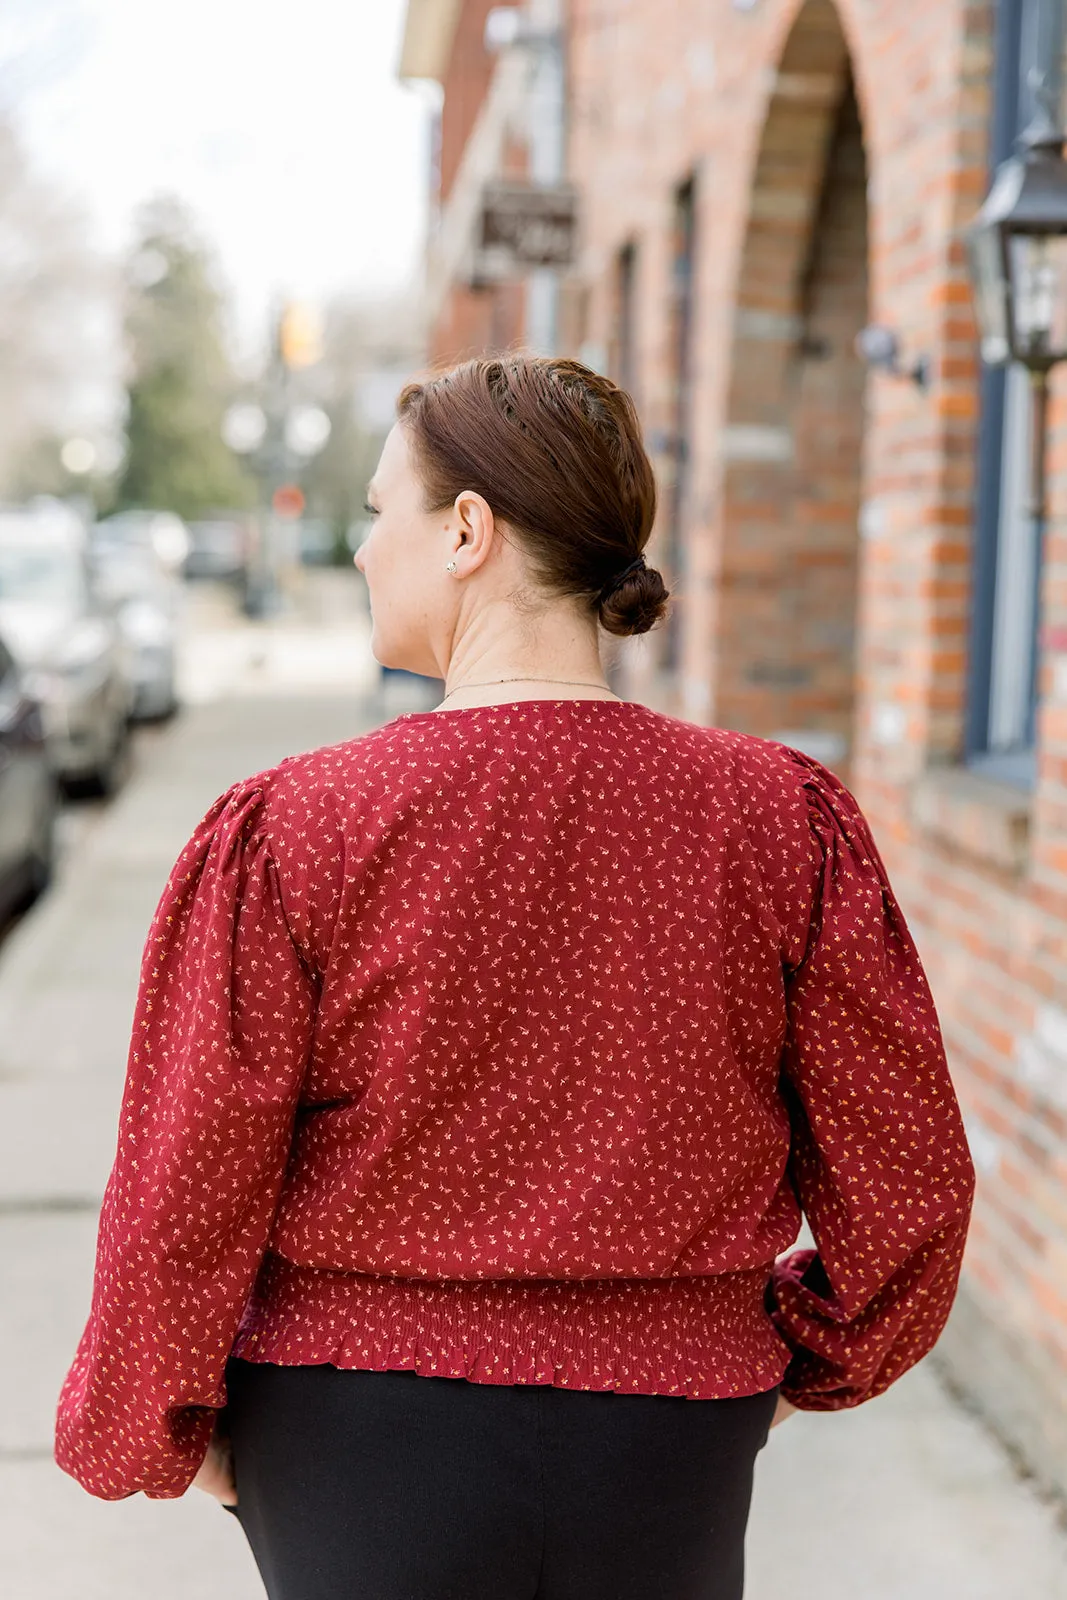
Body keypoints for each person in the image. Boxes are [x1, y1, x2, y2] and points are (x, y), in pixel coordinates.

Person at [54, 356, 976, 1600]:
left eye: (385, 513)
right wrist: (783, 1363)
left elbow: (185, 1178)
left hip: (349, 1430)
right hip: (671, 1432)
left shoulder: (299, 826)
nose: (369, 547)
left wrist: (169, 1430)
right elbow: (905, 1177)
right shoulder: (777, 818)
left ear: (468, 531)